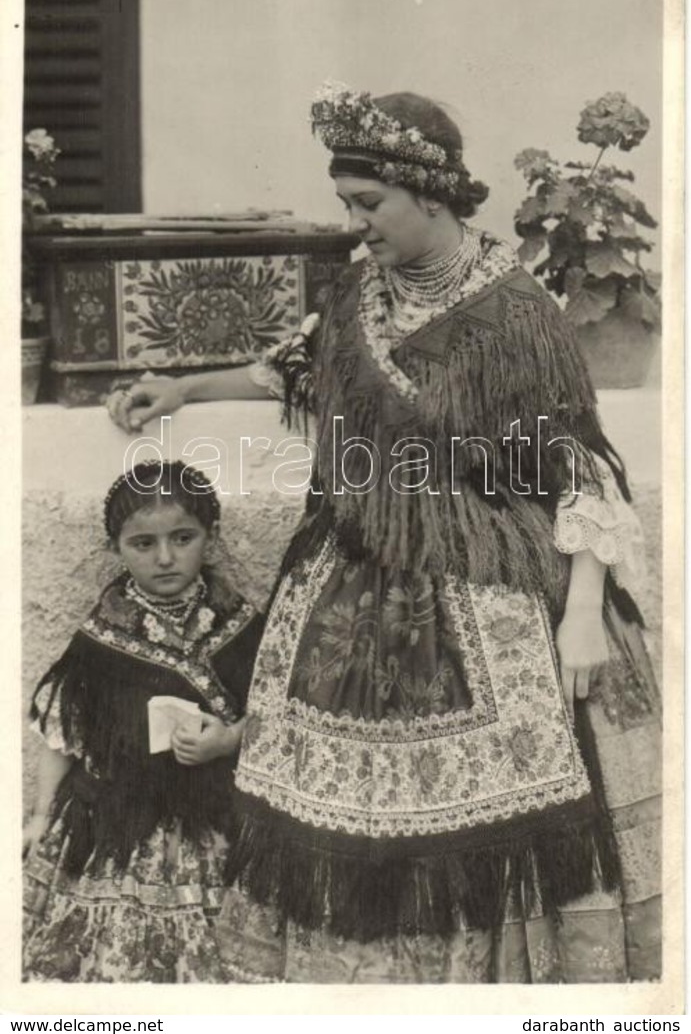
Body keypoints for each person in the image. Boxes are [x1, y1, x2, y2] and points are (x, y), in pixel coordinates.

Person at [107, 83, 661, 984]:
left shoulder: (518, 313)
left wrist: (585, 609)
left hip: (490, 566)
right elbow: (291, 369)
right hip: (354, 558)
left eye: (368, 206)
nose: (355, 225)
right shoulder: (359, 291)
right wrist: (180, 389)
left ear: (429, 195)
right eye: (347, 206)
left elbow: (580, 466)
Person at [23, 460, 264, 983]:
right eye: (143, 544)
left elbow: (275, 714)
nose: (165, 558)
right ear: (116, 547)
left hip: (213, 810)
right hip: (120, 820)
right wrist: (41, 815)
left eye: (183, 538)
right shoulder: (102, 636)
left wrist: (226, 742)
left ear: (211, 537)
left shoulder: (239, 622)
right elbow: (63, 733)